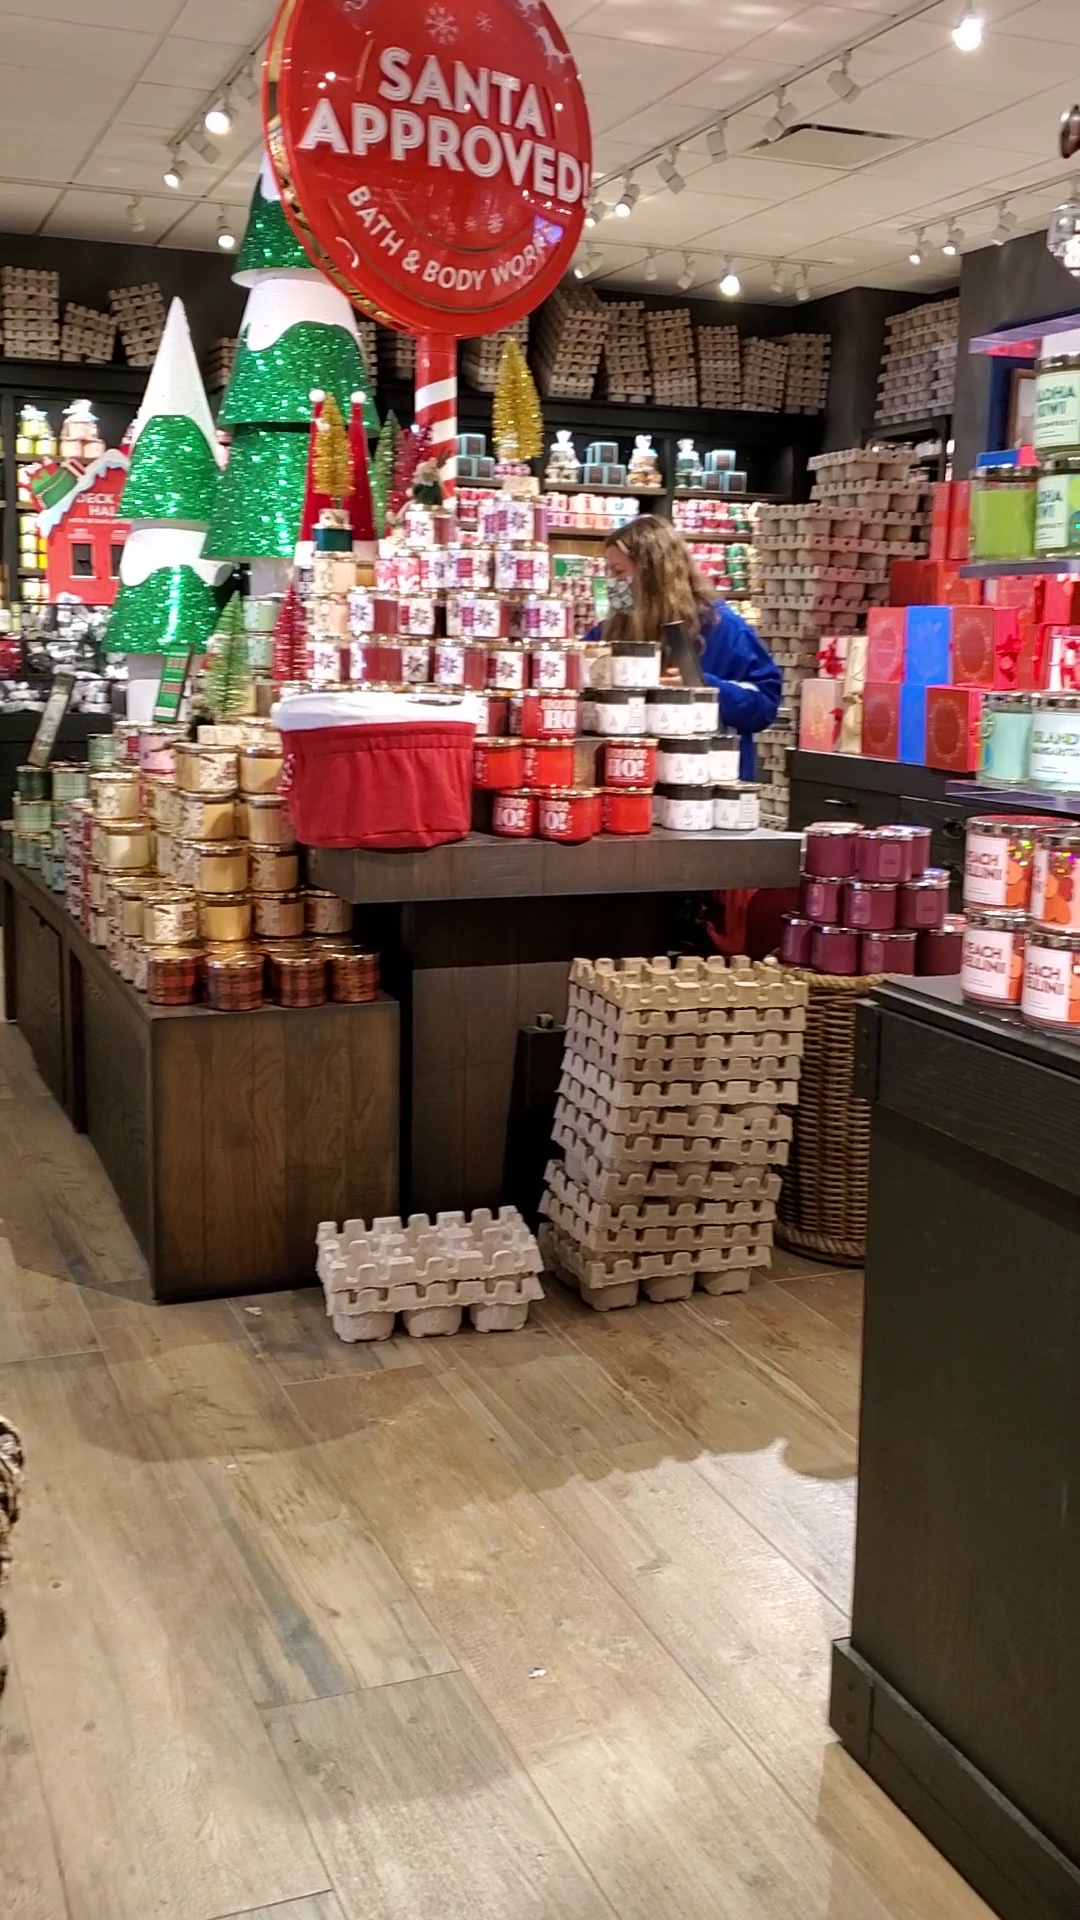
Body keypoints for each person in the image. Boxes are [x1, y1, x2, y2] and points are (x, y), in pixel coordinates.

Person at [587, 514, 781, 779]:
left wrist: (704, 688)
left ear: (652, 573)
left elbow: (765, 706)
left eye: (619, 572)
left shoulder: (721, 626)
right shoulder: (611, 629)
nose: (611, 583)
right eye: (608, 572)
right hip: (630, 778)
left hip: (704, 783)